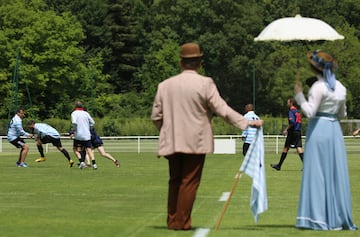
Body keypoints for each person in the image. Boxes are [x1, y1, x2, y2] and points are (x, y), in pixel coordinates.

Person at [151, 42, 263, 231]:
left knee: (175, 180)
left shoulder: (164, 86)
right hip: (196, 140)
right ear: (200, 63)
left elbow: (155, 117)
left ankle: (172, 220)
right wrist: (247, 123)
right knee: (189, 181)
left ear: (181, 62)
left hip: (171, 140)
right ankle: (182, 222)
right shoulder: (205, 83)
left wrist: (167, 129)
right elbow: (222, 110)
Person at [294, 50, 357, 230]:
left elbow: (309, 112)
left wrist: (299, 95)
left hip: (319, 128)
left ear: (315, 69)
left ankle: (316, 217)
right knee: (335, 173)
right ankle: (336, 215)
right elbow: (343, 114)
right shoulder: (341, 87)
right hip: (334, 130)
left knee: (317, 173)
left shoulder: (318, 87)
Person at [270, 98, 304, 171]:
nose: (287, 104)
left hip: (293, 132)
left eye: (288, 102)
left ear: (291, 103)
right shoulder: (298, 112)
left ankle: (279, 165)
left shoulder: (291, 111)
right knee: (299, 147)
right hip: (298, 131)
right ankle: (306, 166)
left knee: (286, 148)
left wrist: (286, 129)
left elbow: (292, 123)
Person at [70, 101, 97, 169]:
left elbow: (74, 122)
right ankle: (94, 164)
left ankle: (82, 162)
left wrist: (74, 130)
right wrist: (89, 128)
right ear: (82, 106)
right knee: (89, 149)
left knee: (75, 149)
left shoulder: (74, 113)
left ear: (75, 106)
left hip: (78, 135)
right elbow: (92, 123)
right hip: (86, 135)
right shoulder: (86, 113)